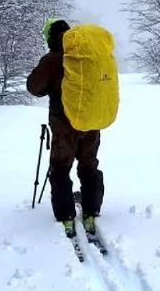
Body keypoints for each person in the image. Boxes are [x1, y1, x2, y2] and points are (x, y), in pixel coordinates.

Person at [26, 18, 104, 238]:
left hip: (64, 125)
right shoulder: (86, 55)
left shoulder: (53, 59)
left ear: (50, 37)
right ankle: (91, 211)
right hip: (90, 122)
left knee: (60, 169)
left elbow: (33, 86)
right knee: (89, 166)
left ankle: (66, 217)